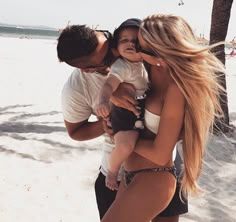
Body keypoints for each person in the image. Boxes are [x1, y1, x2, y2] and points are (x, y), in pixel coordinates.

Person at [56, 19, 188, 222]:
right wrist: (106, 125)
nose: (118, 52)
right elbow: (75, 132)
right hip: (116, 173)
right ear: (89, 69)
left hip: (161, 169)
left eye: (110, 42)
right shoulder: (76, 88)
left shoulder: (139, 50)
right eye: (108, 57)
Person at [101, 14, 225, 222]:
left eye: (140, 47)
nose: (135, 50)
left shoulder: (176, 89)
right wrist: (114, 93)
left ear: (159, 54)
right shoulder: (149, 69)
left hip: (154, 177)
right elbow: (113, 69)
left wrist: (120, 137)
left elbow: (160, 154)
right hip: (130, 174)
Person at [95, 18, 149, 191]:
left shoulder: (147, 64)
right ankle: (112, 171)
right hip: (124, 113)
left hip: (143, 110)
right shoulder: (121, 66)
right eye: (124, 40)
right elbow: (109, 85)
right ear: (116, 48)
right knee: (126, 145)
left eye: (136, 41)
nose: (130, 44)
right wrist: (103, 100)